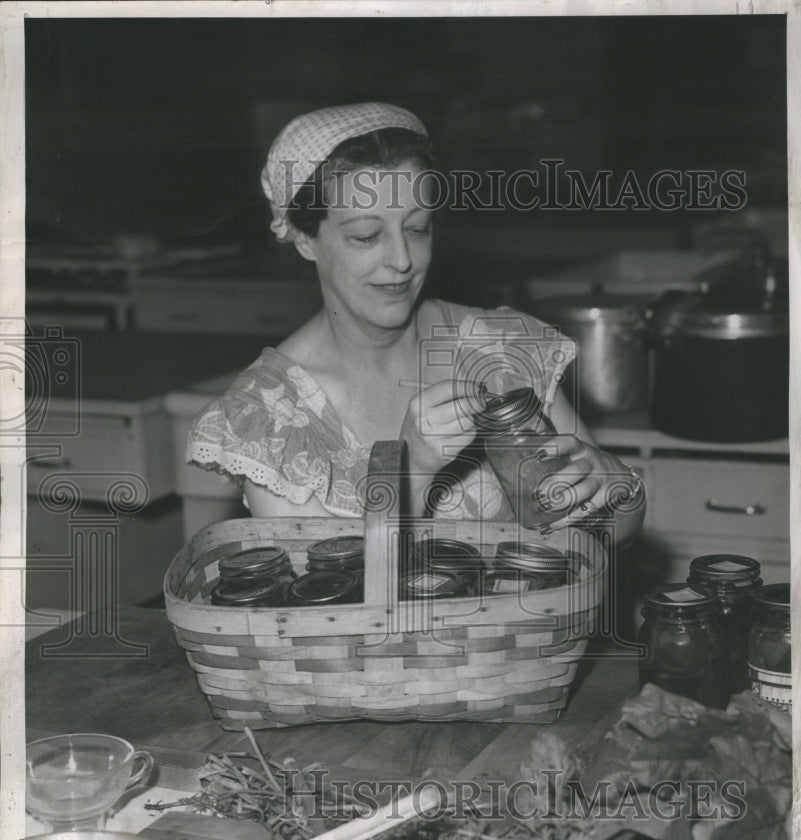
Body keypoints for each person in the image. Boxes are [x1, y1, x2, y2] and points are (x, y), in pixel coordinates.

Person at [187, 103, 645, 543]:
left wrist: (616, 491)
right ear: (306, 239)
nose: (402, 260)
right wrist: (413, 474)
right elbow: (323, 610)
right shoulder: (270, 416)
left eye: (417, 228)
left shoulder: (498, 348)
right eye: (367, 236)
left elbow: (609, 533)